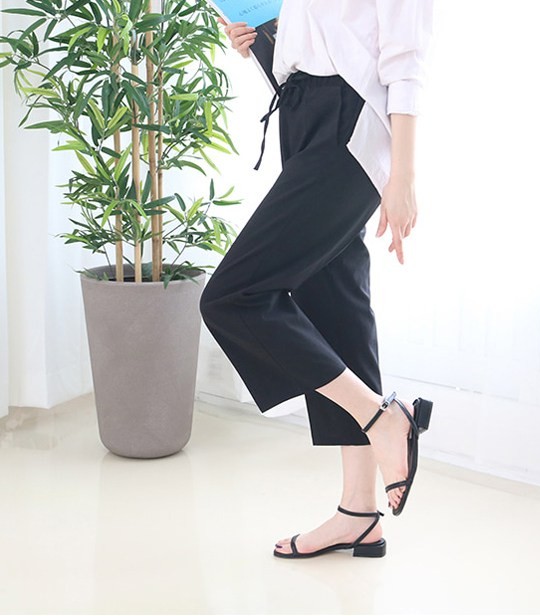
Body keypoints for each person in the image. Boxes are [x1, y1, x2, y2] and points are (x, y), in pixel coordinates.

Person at [200, 0, 435, 559]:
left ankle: (383, 417)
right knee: (337, 306)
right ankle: (359, 512)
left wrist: (403, 176)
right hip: (300, 110)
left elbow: (405, 58)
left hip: (350, 123)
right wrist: (263, 42)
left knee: (234, 296)